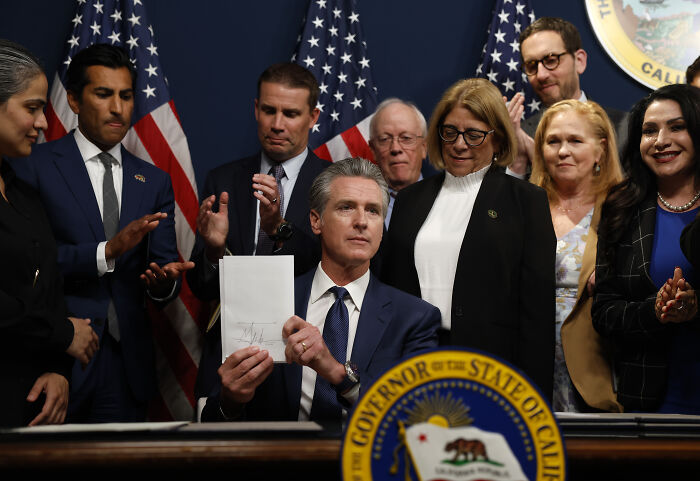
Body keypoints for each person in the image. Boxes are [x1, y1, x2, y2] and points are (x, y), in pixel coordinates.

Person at [12, 43, 191, 422]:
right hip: (56, 359)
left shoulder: (154, 180)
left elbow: (162, 270)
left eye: (126, 96)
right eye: (104, 94)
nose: (118, 108)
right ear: (74, 100)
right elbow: (26, 264)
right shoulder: (33, 166)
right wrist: (106, 251)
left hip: (130, 366)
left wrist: (162, 283)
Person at [200, 157, 440, 428]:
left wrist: (336, 372)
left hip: (365, 466)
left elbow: (419, 420)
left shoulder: (414, 319)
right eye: (346, 207)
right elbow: (212, 420)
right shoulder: (263, 299)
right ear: (316, 221)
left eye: (373, 211)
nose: (362, 221)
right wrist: (231, 400)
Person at [381, 78, 556, 399]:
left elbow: (537, 315)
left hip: (493, 370)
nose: (459, 144)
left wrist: (532, 399)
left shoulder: (525, 201)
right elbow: (390, 289)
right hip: (414, 363)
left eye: (474, 135)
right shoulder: (410, 200)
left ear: (499, 139)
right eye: (450, 132)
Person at [188, 62, 330, 407]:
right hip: (229, 358)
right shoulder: (222, 179)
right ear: (256, 109)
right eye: (269, 110)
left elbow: (333, 266)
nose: (277, 124)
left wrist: (278, 229)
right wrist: (214, 250)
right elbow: (202, 288)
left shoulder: (333, 184)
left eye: (291, 113)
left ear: (313, 116)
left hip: (303, 360)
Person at [0, 39, 99, 427]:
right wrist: (60, 335)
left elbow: (48, 287)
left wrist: (59, 369)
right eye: (32, 108)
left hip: (30, 408)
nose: (44, 123)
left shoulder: (23, 192)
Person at [593, 83, 700, 413]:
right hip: (649, 401)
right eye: (649, 130)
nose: (661, 140)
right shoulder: (622, 207)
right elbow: (604, 311)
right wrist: (654, 312)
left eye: (677, 127)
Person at [530, 99, 624, 412]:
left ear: (600, 149)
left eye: (575, 141)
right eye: (553, 141)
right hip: (532, 372)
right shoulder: (525, 207)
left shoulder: (622, 209)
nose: (562, 151)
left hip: (596, 371)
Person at [507, 17, 628, 177]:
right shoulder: (520, 137)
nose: (541, 75)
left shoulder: (625, 128)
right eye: (531, 66)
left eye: (551, 60)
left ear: (579, 61)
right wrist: (518, 164)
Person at [368, 98, 427, 228]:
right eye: (385, 139)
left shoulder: (448, 202)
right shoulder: (360, 208)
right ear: (372, 149)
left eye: (406, 138)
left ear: (424, 147)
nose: (395, 148)